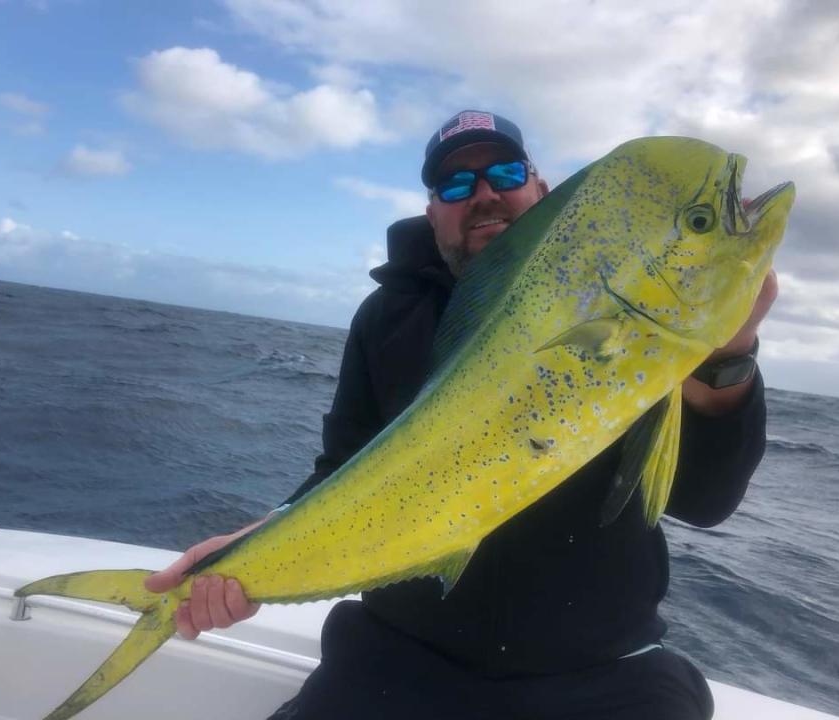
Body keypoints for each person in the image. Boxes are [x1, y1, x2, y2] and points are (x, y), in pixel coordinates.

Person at [146, 110, 776, 719]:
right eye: (455, 183)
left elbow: (704, 501)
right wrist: (252, 547)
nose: (482, 194)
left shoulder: (628, 315)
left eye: (504, 175)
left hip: (602, 672)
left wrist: (728, 353)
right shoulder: (386, 317)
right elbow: (343, 467)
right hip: (400, 653)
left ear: (542, 190)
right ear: (432, 212)